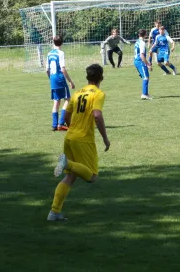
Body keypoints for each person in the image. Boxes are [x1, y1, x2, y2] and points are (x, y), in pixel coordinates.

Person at [48, 64, 110, 221]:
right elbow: (97, 115)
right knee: (92, 177)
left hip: (70, 137)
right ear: (101, 77)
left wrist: (72, 129)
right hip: (84, 140)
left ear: (87, 77)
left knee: (70, 177)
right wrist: (105, 137)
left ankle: (54, 212)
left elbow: (67, 115)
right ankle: (67, 163)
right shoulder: (99, 94)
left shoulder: (77, 93)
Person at [46, 36, 75, 131]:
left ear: (53, 42)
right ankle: (61, 124)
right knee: (67, 99)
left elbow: (47, 70)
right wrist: (70, 81)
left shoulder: (49, 53)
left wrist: (51, 79)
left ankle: (54, 125)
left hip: (53, 79)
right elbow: (63, 69)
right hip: (60, 78)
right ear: (62, 43)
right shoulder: (61, 53)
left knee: (56, 101)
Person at [134, 29, 153, 100]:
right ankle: (144, 94)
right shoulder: (142, 43)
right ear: (145, 35)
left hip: (136, 61)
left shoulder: (137, 41)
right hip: (140, 61)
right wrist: (148, 64)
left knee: (146, 76)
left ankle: (146, 93)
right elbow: (142, 55)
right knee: (146, 77)